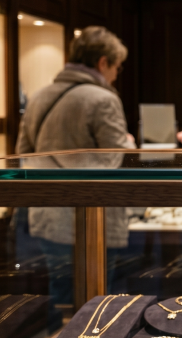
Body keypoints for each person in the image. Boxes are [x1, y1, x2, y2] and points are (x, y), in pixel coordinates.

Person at [15, 26, 135, 305]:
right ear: (103, 62)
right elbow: (115, 159)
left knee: (62, 297)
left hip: (47, 216)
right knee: (99, 304)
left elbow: (23, 154)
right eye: (117, 66)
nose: (117, 74)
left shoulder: (39, 97)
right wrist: (128, 142)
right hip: (93, 221)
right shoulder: (103, 99)